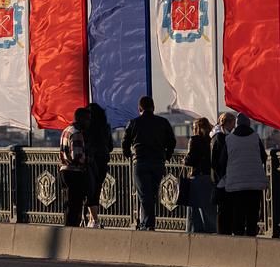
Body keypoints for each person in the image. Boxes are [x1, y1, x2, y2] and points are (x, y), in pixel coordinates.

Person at [122, 96, 177, 230]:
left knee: (144, 194)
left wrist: (128, 153)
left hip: (140, 162)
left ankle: (147, 224)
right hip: (158, 162)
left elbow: (125, 142)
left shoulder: (133, 122)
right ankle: (145, 222)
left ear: (139, 108)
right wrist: (167, 155)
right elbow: (172, 141)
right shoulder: (163, 122)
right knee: (152, 194)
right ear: (154, 108)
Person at [213, 112, 269, 236]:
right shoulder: (255, 137)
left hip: (236, 183)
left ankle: (239, 237)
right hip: (255, 182)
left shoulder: (229, 139)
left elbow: (222, 162)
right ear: (249, 124)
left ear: (236, 124)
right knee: (253, 212)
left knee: (238, 212)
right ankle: (251, 234)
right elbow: (264, 157)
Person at [60, 107, 92, 227]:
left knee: (68, 204)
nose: (89, 123)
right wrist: (88, 160)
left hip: (64, 171)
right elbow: (77, 156)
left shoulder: (66, 130)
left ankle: (67, 227)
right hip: (74, 173)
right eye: (88, 119)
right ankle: (72, 229)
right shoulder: (77, 133)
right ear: (81, 119)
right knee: (75, 205)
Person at [183, 117, 216, 234]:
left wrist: (185, 160)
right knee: (207, 207)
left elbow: (190, 160)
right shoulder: (212, 140)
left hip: (197, 177)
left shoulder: (194, 140)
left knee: (195, 208)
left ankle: (195, 231)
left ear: (197, 128)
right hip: (209, 176)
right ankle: (211, 229)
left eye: (193, 127)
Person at [84, 103, 114, 228]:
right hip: (103, 161)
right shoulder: (105, 128)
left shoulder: (87, 128)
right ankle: (92, 219)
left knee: (90, 190)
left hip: (90, 161)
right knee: (97, 189)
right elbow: (110, 146)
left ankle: (94, 220)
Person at [210, 111, 235, 235]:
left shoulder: (215, 136)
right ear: (228, 123)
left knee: (223, 207)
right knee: (225, 207)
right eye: (233, 123)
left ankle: (223, 231)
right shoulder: (221, 137)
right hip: (222, 178)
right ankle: (223, 231)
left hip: (218, 177)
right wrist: (222, 175)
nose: (234, 126)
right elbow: (218, 160)